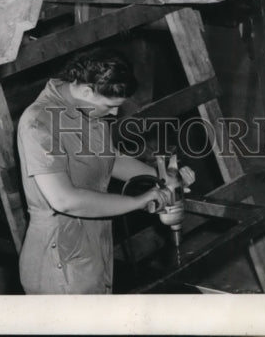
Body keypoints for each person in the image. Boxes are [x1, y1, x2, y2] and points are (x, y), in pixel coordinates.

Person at [16, 48, 190, 294]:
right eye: (109, 105)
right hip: (59, 253)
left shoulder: (84, 106)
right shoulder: (38, 123)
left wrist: (164, 178)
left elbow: (110, 159)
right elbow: (64, 200)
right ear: (87, 90)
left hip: (94, 239)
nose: (115, 113)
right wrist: (140, 201)